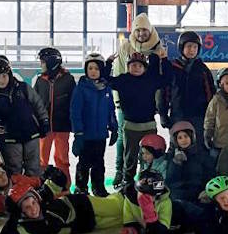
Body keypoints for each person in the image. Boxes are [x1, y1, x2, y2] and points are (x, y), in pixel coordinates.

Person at [0, 166, 123, 234]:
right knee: (123, 220)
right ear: (22, 212)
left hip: (84, 204)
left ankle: (131, 194)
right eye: (27, 207)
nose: (33, 208)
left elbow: (59, 179)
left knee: (118, 207)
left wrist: (51, 173)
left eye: (33, 202)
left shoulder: (44, 196)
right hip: (86, 224)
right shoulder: (31, 227)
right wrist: (14, 215)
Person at [0, 58, 50, 177]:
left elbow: (38, 104)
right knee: (14, 168)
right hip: (9, 138)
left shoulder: (23, 88)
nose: (1, 80)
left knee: (34, 167)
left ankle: (33, 192)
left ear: (9, 74)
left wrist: (44, 120)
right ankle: (15, 192)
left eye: (4, 76)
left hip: (31, 134)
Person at [105, 50, 173, 186]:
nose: (136, 68)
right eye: (133, 65)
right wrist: (108, 63)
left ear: (144, 68)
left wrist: (164, 60)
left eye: (140, 66)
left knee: (149, 157)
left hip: (149, 126)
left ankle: (148, 180)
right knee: (130, 156)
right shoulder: (123, 80)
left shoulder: (150, 80)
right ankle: (128, 182)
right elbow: (106, 79)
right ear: (128, 66)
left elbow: (167, 78)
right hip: (130, 126)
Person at [112, 13, 165, 181]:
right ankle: (120, 171)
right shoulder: (126, 46)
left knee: (148, 143)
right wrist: (118, 98)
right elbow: (119, 71)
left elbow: (160, 77)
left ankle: (146, 175)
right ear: (133, 31)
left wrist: (159, 102)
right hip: (127, 101)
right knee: (124, 139)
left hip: (148, 104)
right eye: (138, 30)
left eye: (144, 30)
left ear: (150, 31)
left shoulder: (157, 47)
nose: (141, 33)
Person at [70, 53, 118, 196]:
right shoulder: (81, 88)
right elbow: (75, 112)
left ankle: (99, 187)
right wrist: (78, 133)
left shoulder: (106, 88)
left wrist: (114, 127)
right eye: (90, 68)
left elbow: (110, 109)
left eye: (96, 69)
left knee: (99, 163)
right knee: (84, 164)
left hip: (100, 135)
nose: (93, 71)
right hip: (86, 135)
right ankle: (81, 187)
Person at [162, 31, 216, 138]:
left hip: (198, 116)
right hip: (178, 115)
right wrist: (163, 114)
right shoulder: (172, 68)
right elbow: (164, 93)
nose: (192, 50)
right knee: (178, 145)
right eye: (189, 46)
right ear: (182, 48)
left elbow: (210, 94)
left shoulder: (202, 69)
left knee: (197, 145)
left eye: (195, 47)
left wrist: (211, 116)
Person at [35, 47, 76, 184]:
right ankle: (40, 185)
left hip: (62, 126)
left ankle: (64, 186)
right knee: (41, 159)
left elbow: (74, 103)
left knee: (62, 159)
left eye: (42, 62)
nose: (40, 65)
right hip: (45, 128)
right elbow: (35, 103)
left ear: (51, 62)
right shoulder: (40, 81)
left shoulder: (68, 80)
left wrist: (74, 123)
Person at [119, 170, 195, 234]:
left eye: (155, 195)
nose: (153, 199)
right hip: (155, 224)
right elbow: (130, 222)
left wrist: (150, 214)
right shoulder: (130, 200)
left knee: (196, 217)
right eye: (149, 195)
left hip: (179, 216)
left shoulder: (165, 201)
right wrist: (132, 231)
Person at [164, 120, 217, 203]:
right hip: (178, 194)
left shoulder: (202, 155)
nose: (183, 140)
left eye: (186, 136)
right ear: (175, 140)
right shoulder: (171, 156)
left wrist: (207, 191)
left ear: (192, 137)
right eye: (180, 138)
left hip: (198, 193)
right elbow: (169, 180)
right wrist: (176, 163)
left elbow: (210, 175)